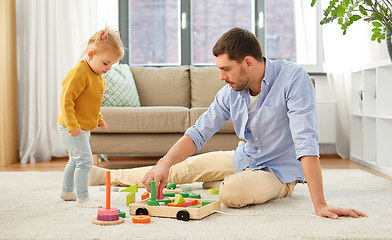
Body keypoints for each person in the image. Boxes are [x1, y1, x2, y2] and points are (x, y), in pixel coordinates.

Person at [89, 28, 366, 219]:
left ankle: (230, 182)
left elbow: (306, 141)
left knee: (232, 192)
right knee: (179, 168)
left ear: (247, 62)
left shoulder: (294, 79)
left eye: (225, 69)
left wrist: (320, 204)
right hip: (244, 158)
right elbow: (198, 133)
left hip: (279, 172)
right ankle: (105, 176)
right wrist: (163, 163)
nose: (221, 77)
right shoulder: (230, 92)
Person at [58, 27, 124, 208]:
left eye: (112, 65)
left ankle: (67, 190)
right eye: (105, 63)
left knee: (75, 158)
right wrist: (72, 126)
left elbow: (91, 102)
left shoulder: (98, 76)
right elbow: (66, 101)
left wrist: (99, 118)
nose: (109, 68)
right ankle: (83, 197)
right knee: (85, 161)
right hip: (71, 126)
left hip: (82, 126)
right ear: (91, 54)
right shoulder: (79, 73)